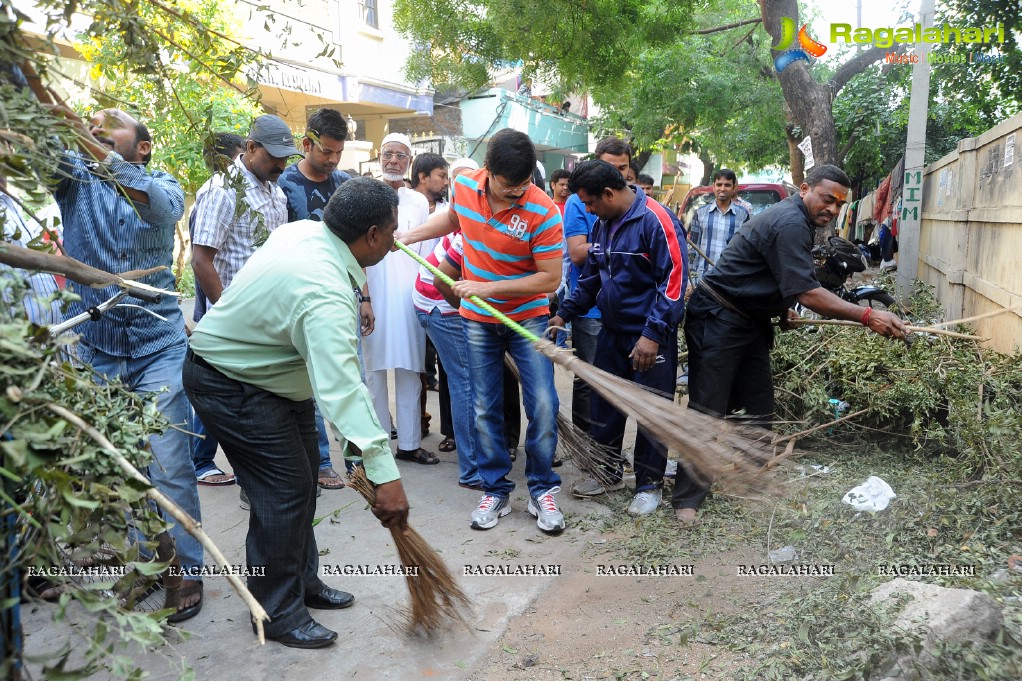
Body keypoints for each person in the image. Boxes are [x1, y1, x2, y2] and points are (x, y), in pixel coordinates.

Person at [183, 177, 410, 648]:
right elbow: (343, 390)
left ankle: (302, 582)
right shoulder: (323, 292)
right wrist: (383, 473)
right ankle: (275, 613)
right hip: (233, 384)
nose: (395, 240)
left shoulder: (306, 231)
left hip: (270, 379)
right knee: (282, 492)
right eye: (391, 231)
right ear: (370, 235)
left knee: (304, 481)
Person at [677, 164, 908, 525]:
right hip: (719, 318)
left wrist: (779, 307)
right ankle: (687, 499)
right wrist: (867, 316)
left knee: (759, 405)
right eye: (827, 199)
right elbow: (809, 292)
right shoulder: (789, 222)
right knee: (708, 409)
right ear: (804, 189)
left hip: (751, 320)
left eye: (839, 204)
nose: (832, 209)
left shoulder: (799, 222)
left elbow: (772, 272)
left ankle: (751, 481)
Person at [52, 106, 203, 622]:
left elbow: (158, 210)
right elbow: (39, 140)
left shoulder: (162, 183)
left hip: (158, 344)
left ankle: (186, 570)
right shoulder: (74, 179)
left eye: (109, 120)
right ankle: (145, 564)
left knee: (168, 461)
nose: (94, 124)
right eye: (90, 119)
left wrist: (89, 142)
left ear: (141, 146)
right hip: (95, 345)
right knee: (119, 467)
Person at [399, 128, 565, 534]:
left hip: (527, 319)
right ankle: (496, 490)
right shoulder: (466, 185)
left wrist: (486, 287)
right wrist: (409, 235)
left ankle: (543, 489)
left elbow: (549, 279)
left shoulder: (544, 213)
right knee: (484, 405)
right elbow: (455, 218)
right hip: (478, 321)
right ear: (488, 171)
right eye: (511, 186)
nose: (518, 193)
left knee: (543, 404)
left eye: (525, 184)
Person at [550, 160, 687, 516]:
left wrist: (652, 335)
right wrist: (564, 312)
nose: (589, 210)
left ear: (608, 194)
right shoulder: (602, 226)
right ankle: (608, 471)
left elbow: (673, 283)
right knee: (605, 404)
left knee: (651, 410)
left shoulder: (657, 221)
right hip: (612, 332)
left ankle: (648, 485)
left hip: (648, 337)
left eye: (590, 203)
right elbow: (591, 278)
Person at [190, 114, 301, 502]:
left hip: (272, 319)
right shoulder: (221, 190)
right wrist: (226, 315)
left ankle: (264, 484)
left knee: (268, 406)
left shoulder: (276, 191)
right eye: (275, 157)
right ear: (251, 149)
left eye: (287, 157)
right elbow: (201, 260)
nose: (283, 165)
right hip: (238, 323)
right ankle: (252, 487)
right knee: (245, 409)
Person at [277, 108, 360, 491]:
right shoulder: (282, 185)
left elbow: (356, 246)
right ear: (306, 144)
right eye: (326, 151)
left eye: (338, 153)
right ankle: (322, 462)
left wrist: (366, 295)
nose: (332, 160)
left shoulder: (344, 185)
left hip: (342, 295)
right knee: (307, 385)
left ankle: (358, 462)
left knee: (350, 380)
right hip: (300, 299)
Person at [362, 133, 438, 464]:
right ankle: (378, 447)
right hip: (371, 295)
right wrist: (362, 297)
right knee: (373, 374)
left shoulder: (418, 202)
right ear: (379, 157)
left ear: (409, 162)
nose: (393, 161)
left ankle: (408, 444)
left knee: (411, 370)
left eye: (401, 156)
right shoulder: (362, 194)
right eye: (388, 154)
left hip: (409, 297)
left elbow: (423, 252)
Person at [560, 137, 632, 443]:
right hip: (589, 309)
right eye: (609, 167)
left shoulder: (642, 209)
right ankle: (588, 445)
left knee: (620, 383)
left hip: (627, 312)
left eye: (623, 168)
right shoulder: (581, 202)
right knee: (591, 379)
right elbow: (579, 255)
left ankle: (612, 450)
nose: (617, 175)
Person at [188, 132, 244, 487]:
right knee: (217, 389)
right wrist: (217, 310)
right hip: (223, 309)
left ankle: (205, 459)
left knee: (223, 388)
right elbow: (202, 261)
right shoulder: (216, 194)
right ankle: (201, 460)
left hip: (220, 307)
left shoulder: (225, 191)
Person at [687, 169, 750, 283]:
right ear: (713, 186)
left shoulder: (743, 215)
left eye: (727, 185)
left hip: (730, 279)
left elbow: (745, 251)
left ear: (734, 187)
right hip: (702, 278)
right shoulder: (700, 213)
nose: (722, 188)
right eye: (719, 184)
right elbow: (692, 248)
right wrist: (691, 279)